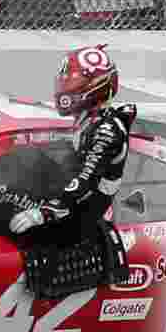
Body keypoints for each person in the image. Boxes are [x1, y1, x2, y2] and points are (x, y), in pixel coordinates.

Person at [9, 44, 136, 240]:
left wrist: (43, 212)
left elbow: (86, 179)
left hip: (82, 218)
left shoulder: (106, 130)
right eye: (65, 82)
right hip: (73, 200)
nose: (65, 89)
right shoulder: (89, 118)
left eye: (73, 83)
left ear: (95, 86)